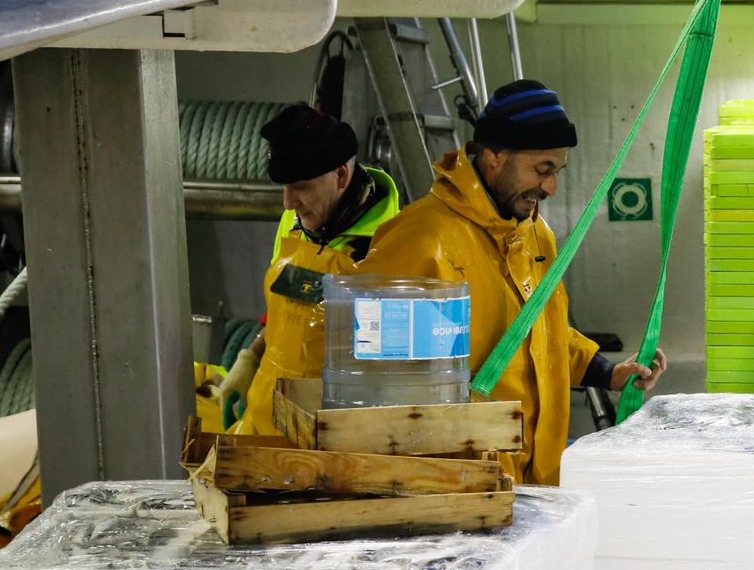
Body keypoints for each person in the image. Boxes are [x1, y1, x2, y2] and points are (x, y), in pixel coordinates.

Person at [359, 79, 666, 486]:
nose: (551, 187)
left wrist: (609, 373)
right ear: (494, 156)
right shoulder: (420, 240)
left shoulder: (534, 234)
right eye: (542, 169)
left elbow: (543, 331)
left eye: (556, 171)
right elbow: (380, 385)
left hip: (537, 481)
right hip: (463, 488)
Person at [219, 103, 400, 434]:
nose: (288, 202)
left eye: (300, 187)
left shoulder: (389, 249)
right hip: (263, 425)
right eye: (285, 188)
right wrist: (250, 358)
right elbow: (284, 302)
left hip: (329, 443)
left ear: (341, 175)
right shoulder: (295, 222)